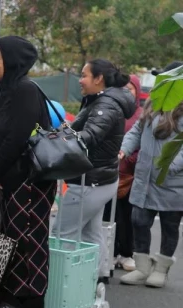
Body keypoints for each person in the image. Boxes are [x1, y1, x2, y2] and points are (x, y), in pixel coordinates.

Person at [0, 36, 56, 308]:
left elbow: (16, 140)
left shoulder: (25, 90)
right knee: (9, 250)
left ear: (11, 60)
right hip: (12, 186)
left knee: (28, 250)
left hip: (29, 187)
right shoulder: (10, 91)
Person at [53, 59, 136, 282]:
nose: (80, 80)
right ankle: (96, 279)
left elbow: (88, 136)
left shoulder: (105, 106)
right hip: (102, 179)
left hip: (90, 181)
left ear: (99, 78)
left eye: (84, 75)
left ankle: (62, 287)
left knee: (62, 235)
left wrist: (58, 142)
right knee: (91, 233)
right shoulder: (101, 100)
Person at [118, 97, 183, 288]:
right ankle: (142, 267)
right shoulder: (152, 107)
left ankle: (161, 269)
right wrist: (123, 150)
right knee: (138, 221)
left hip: (172, 183)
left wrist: (171, 166)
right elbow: (136, 132)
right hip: (144, 180)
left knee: (169, 226)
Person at [103, 74, 143, 272]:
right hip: (111, 172)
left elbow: (140, 143)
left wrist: (128, 159)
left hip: (131, 176)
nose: (127, 91)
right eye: (124, 88)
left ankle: (127, 253)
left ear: (137, 90)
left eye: (131, 88)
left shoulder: (141, 114)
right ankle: (109, 253)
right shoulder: (115, 110)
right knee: (110, 216)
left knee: (128, 217)